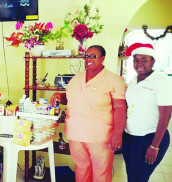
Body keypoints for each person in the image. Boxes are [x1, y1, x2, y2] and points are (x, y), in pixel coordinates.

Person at [50, 45, 127, 182]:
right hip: (76, 134)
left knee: (101, 172)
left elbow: (120, 108)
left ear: (102, 58)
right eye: (87, 56)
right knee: (81, 168)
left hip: (100, 136)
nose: (89, 59)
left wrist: (117, 134)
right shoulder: (76, 78)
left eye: (93, 56)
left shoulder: (114, 80)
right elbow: (70, 98)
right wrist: (59, 96)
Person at [122, 43, 172, 182]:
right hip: (130, 137)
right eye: (136, 60)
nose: (139, 63)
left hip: (149, 138)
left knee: (138, 178)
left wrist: (154, 146)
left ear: (153, 61)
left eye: (144, 59)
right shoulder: (133, 81)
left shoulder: (162, 81)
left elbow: (166, 116)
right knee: (132, 176)